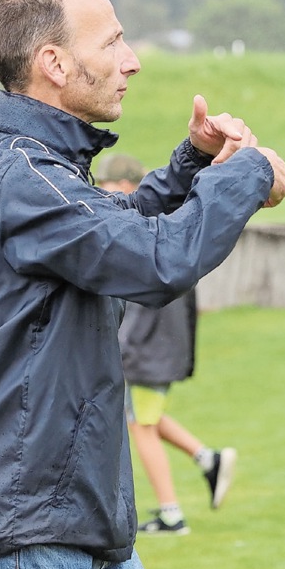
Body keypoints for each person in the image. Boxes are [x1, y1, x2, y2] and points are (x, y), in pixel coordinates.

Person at [0, 0, 285, 569]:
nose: (133, 59)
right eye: (113, 39)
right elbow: (157, 263)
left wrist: (190, 165)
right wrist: (249, 172)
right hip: (24, 538)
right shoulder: (20, 176)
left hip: (84, 526)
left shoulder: (45, 170)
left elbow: (112, 234)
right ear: (55, 64)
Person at [97, 153, 237, 535]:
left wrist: (123, 346)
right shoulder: (161, 221)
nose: (104, 193)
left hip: (146, 349)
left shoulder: (141, 225)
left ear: (126, 186)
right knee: (145, 417)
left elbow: (146, 298)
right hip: (158, 346)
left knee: (140, 424)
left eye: (108, 185)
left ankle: (171, 514)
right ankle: (208, 459)